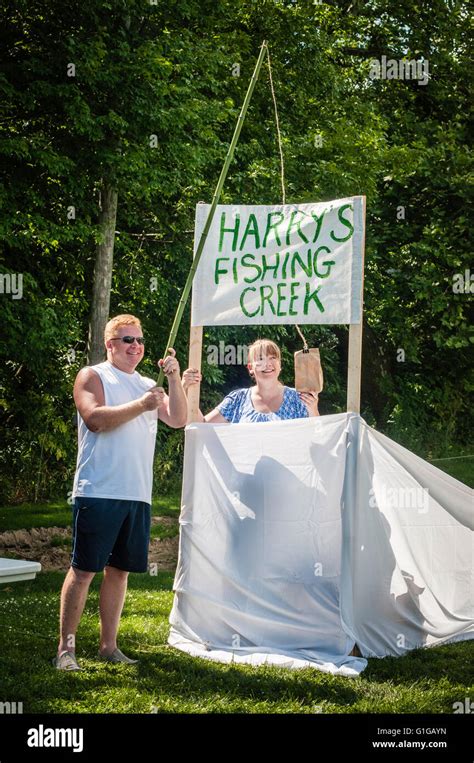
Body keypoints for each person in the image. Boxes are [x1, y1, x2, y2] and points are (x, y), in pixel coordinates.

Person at [54, 314, 187, 670]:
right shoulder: (93, 375)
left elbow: (178, 419)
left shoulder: (149, 382)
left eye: (140, 340)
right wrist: (142, 405)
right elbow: (94, 419)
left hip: (137, 493)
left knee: (120, 571)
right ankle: (65, 650)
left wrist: (174, 378)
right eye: (127, 340)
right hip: (99, 490)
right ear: (110, 343)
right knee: (83, 570)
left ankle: (108, 646)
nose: (136, 346)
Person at [182, 338, 319, 422]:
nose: (268, 364)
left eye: (273, 358)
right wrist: (186, 389)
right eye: (260, 359)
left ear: (280, 365)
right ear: (250, 368)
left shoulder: (298, 398)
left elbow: (318, 435)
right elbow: (202, 425)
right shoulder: (237, 400)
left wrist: (313, 409)